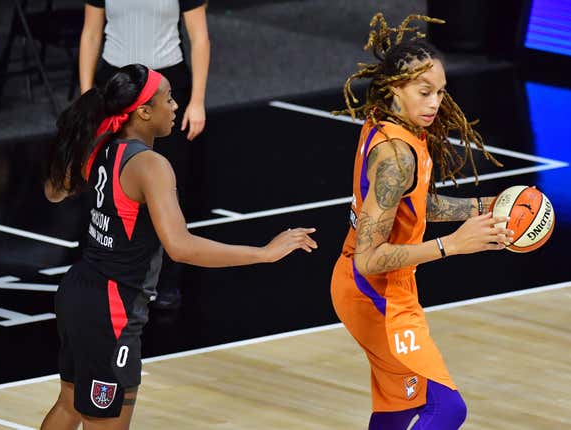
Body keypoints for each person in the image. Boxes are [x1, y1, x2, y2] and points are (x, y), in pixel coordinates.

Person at [41, 64, 317, 429]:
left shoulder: (104, 143)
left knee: (68, 406)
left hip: (79, 292)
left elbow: (54, 191)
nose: (175, 106)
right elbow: (180, 247)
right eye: (168, 99)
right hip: (111, 310)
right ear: (143, 111)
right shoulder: (151, 166)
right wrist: (263, 253)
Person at [330, 14, 514, 430]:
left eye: (440, 92)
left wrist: (485, 206)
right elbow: (368, 258)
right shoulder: (395, 155)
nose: (435, 103)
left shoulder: (394, 124)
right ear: (397, 88)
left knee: (398, 411)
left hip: (384, 286)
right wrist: (453, 244)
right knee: (448, 408)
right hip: (372, 291)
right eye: (424, 91)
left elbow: (416, 205)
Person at [79, 0, 210, 309]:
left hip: (165, 85)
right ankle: (109, 273)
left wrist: (197, 100)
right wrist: (87, 97)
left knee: (169, 187)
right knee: (108, 183)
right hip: (116, 85)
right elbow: (91, 33)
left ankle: (166, 281)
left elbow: (199, 37)